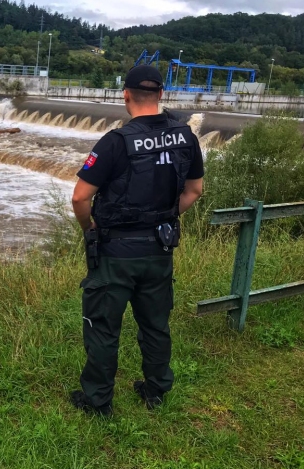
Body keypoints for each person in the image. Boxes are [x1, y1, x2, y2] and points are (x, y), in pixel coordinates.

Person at [70, 65, 204, 416]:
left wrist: (91, 230)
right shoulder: (185, 137)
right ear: (162, 95)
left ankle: (98, 402)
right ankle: (156, 390)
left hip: (116, 251)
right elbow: (195, 190)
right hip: (160, 247)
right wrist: (162, 217)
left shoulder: (115, 142)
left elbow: (80, 198)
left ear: (125, 95)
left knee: (103, 327)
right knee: (156, 324)